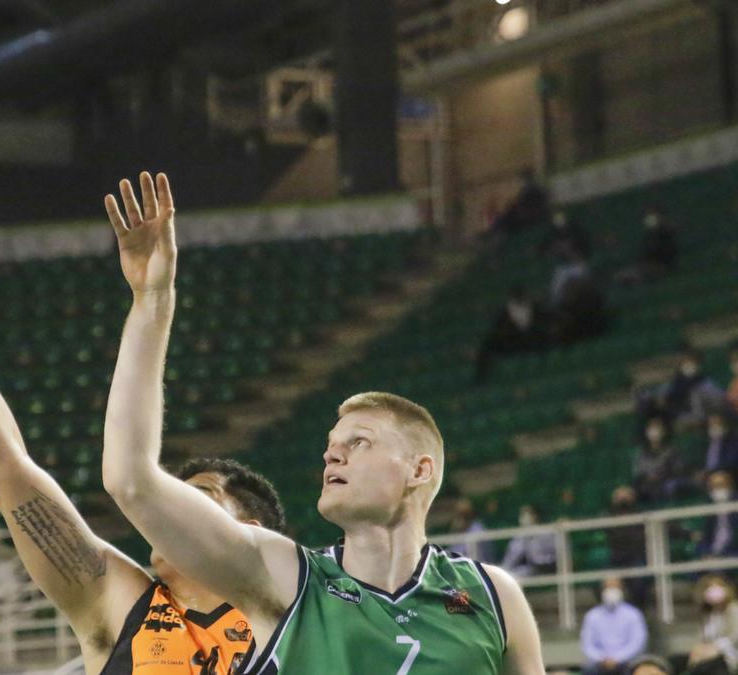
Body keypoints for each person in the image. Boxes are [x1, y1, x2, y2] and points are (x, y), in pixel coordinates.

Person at [99, 171, 544, 673]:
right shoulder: (284, 575)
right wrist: (152, 302)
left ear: (419, 470)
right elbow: (129, 480)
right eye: (333, 444)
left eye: (360, 442)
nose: (333, 454)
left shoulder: (494, 597)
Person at [0, 191, 286, 673]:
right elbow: (5, 471)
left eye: (198, 498)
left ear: (248, 533)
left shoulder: (296, 616)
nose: (169, 511)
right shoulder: (123, 608)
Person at [475, 285, 550, 381]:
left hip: (534, 341)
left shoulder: (535, 308)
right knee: (487, 347)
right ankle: (481, 378)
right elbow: (499, 331)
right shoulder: (505, 313)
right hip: (514, 343)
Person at [580, 578, 648, 675]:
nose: (611, 590)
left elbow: (637, 643)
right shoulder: (592, 615)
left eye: (615, 587)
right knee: (589, 670)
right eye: (608, 587)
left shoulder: (633, 614)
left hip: (626, 661)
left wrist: (617, 658)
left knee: (636, 670)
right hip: (600, 663)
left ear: (622, 589)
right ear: (602, 591)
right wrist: (602, 659)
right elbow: (587, 644)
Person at [606, 486, 651, 608]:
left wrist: (689, 534)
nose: (623, 499)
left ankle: (638, 610)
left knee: (639, 579)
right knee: (603, 579)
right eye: (619, 496)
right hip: (617, 559)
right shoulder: (609, 517)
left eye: (626, 496)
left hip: (637, 557)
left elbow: (667, 525)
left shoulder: (641, 515)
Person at [688, 575, 738, 674]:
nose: (714, 592)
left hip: (729, 654)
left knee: (702, 667)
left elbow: (734, 637)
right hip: (710, 654)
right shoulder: (708, 615)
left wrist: (714, 648)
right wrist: (700, 649)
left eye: (717, 587)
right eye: (709, 588)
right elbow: (704, 639)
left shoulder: (733, 609)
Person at [615, 207, 677, 285]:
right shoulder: (649, 236)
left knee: (640, 272)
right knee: (622, 274)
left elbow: (666, 255)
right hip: (647, 265)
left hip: (662, 266)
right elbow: (645, 253)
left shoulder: (665, 235)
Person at [633, 417, 687, 505]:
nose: (654, 432)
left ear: (663, 432)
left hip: (665, 481)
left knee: (669, 486)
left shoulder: (672, 451)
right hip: (647, 484)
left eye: (657, 429)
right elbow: (639, 472)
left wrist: (661, 476)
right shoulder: (642, 453)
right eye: (651, 429)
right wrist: (647, 478)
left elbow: (678, 469)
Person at [499, 504, 557, 577]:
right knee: (512, 575)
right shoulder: (519, 536)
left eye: (527, 514)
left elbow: (555, 556)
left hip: (548, 568)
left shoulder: (547, 533)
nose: (524, 518)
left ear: (535, 516)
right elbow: (511, 558)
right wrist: (502, 571)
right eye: (522, 515)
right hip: (531, 569)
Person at [698, 471, 738, 559]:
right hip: (712, 553)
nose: (718, 489)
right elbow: (705, 537)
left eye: (721, 485)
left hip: (732, 552)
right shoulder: (709, 507)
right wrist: (705, 553)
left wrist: (722, 555)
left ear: (730, 486)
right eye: (714, 486)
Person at [448, 497, 495, 562]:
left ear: (470, 514)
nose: (461, 518)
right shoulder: (459, 530)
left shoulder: (478, 529)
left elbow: (468, 552)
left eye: (464, 514)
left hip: (479, 565)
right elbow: (452, 552)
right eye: (459, 514)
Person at [703, 414, 738, 479]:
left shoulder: (733, 441)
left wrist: (711, 471)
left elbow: (731, 461)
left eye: (717, 423)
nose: (714, 427)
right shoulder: (706, 442)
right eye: (711, 424)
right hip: (708, 476)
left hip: (727, 475)